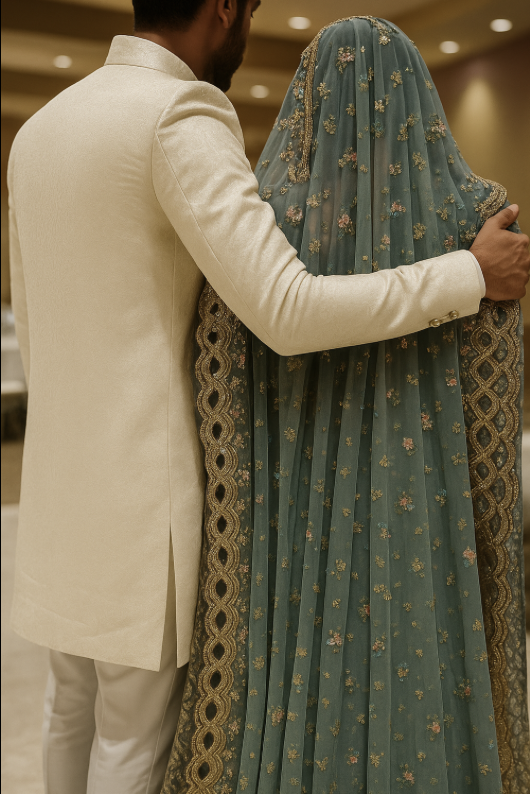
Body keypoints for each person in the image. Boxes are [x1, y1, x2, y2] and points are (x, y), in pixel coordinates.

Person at [6, 2, 528, 793]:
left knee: (66, 711)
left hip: (54, 497)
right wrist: (467, 276)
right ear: (223, 9)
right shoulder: (178, 114)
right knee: (130, 742)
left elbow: (37, 329)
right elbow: (284, 310)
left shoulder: (38, 130)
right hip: (147, 510)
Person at [161, 16, 530, 794]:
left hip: (292, 502)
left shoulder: (266, 220)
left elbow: (221, 366)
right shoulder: (477, 218)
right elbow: (496, 382)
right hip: (429, 513)